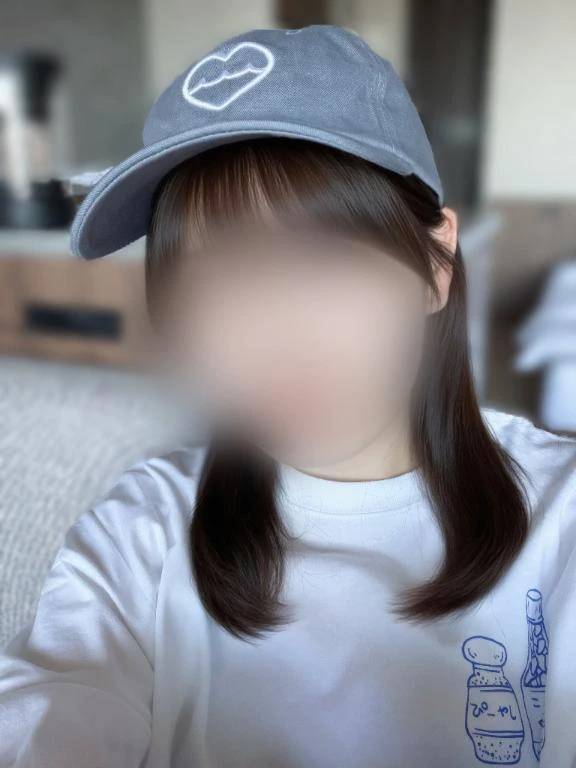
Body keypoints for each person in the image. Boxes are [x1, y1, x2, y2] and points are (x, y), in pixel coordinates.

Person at [0, 24, 574, 768]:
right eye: (217, 280)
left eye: (325, 260)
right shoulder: (144, 530)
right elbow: (51, 703)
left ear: (435, 263)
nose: (273, 334)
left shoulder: (561, 516)